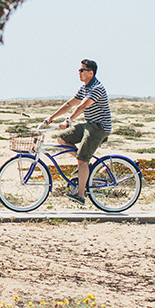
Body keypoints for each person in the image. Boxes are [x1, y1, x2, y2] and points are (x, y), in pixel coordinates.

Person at [44, 58, 110, 204]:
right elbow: (69, 104)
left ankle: (80, 194)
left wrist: (68, 121)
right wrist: (51, 117)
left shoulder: (96, 88)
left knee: (82, 160)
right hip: (89, 124)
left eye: (82, 70)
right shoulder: (84, 87)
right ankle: (86, 164)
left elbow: (82, 107)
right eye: (79, 70)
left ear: (91, 73)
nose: (78, 72)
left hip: (99, 128)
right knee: (62, 138)